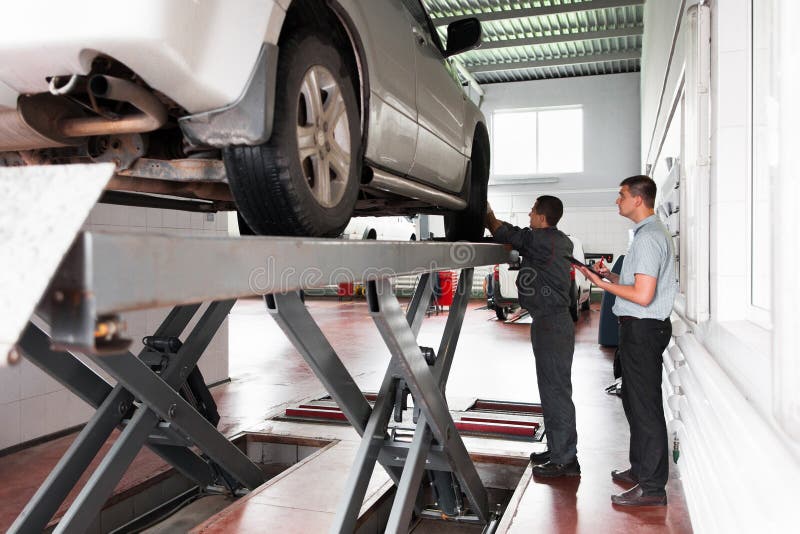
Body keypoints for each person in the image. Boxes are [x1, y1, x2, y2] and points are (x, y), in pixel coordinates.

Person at [575, 175, 677, 507]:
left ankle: (652, 488)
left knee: (645, 407)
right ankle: (641, 469)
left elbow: (643, 296)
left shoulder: (648, 239)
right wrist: (611, 277)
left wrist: (602, 286)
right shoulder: (646, 234)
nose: (616, 201)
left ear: (637, 199)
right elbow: (638, 285)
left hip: (644, 330)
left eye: (620, 196)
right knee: (634, 402)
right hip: (639, 329)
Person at [484, 196, 579, 477]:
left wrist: (486, 212)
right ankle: (558, 448)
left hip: (552, 324)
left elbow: (504, 232)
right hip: (551, 322)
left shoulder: (543, 240)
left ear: (540, 216)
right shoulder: (556, 239)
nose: (528, 213)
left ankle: (565, 461)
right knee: (551, 390)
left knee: (556, 392)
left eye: (532, 209)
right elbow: (518, 235)